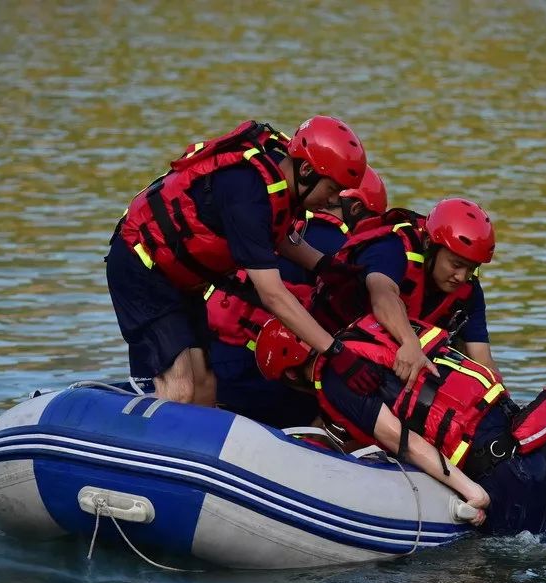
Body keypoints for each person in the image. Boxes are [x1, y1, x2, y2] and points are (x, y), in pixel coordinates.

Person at [106, 116, 382, 405]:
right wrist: (335, 352)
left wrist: (325, 266)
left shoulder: (281, 180)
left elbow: (278, 236)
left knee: (205, 385)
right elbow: (273, 295)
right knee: (182, 385)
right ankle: (148, 439)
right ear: (306, 169)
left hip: (183, 277)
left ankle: (197, 447)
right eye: (332, 189)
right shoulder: (248, 192)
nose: (332, 200)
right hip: (143, 267)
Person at [254, 315, 546, 534]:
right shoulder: (372, 331)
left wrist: (472, 492)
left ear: (291, 374)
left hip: (504, 473)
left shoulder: (335, 379)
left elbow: (399, 438)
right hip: (538, 444)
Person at [204, 167, 388, 427]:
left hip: (215, 357)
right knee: (350, 396)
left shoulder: (281, 225)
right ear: (356, 209)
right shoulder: (336, 242)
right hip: (256, 373)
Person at [311, 198, 500, 395]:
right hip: (331, 352)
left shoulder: (469, 291)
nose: (461, 276)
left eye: (471, 268)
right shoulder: (392, 249)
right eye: (456, 264)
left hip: (395, 371)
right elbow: (383, 296)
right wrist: (410, 342)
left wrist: (500, 398)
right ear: (429, 244)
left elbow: (482, 359)